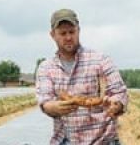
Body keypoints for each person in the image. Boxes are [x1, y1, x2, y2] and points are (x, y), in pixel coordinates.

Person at [36, 9, 128, 145]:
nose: (68, 37)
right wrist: (53, 107)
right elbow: (45, 101)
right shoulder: (46, 67)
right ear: (53, 35)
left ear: (78, 30)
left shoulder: (101, 60)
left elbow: (120, 93)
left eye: (72, 32)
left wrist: (116, 104)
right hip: (66, 140)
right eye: (62, 33)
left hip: (103, 140)